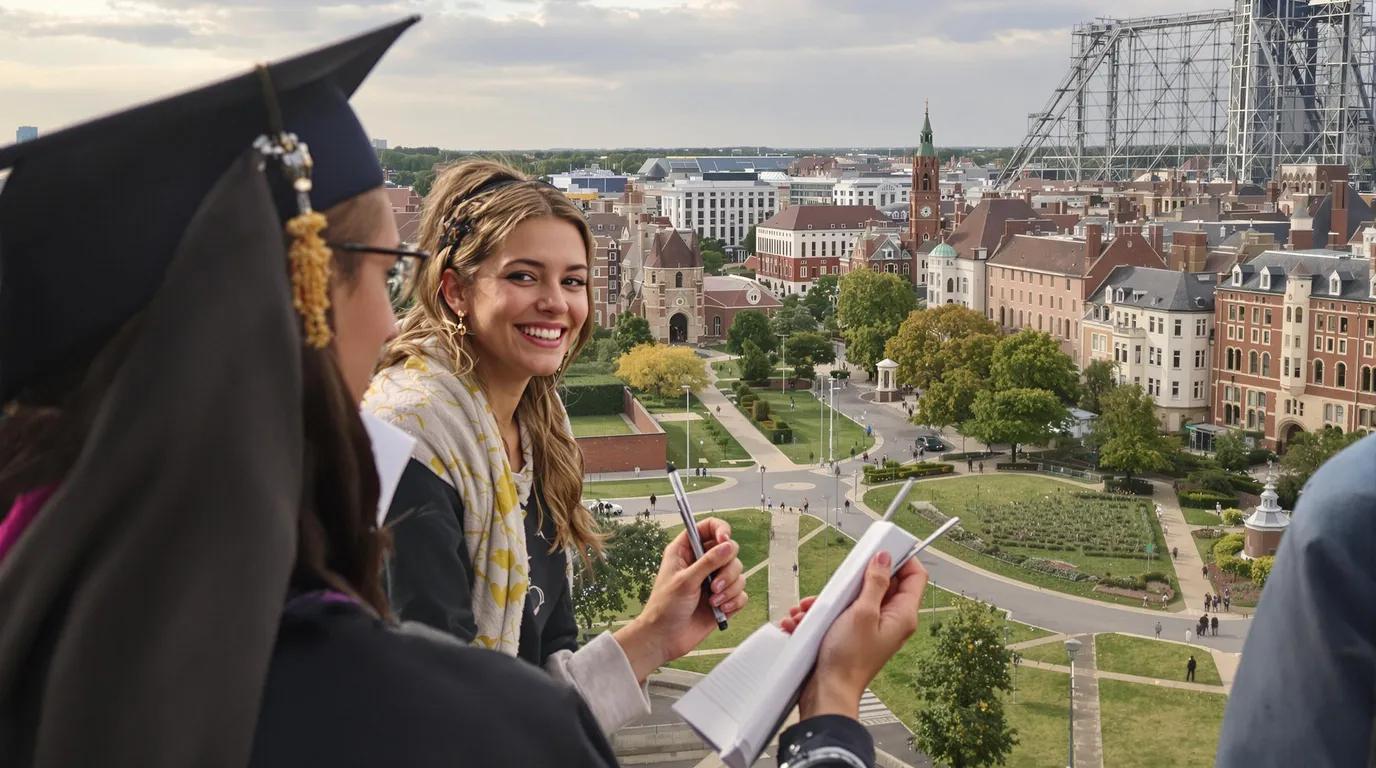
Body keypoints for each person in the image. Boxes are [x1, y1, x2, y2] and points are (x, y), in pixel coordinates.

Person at [0, 21, 916, 768]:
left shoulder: (58, 620)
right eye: (375, 273)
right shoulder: (382, 698)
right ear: (301, 298)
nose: (384, 324)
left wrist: (649, 636)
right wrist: (831, 707)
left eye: (575, 280)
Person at [365, 157, 749, 732]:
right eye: (523, 276)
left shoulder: (541, 429)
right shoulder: (408, 442)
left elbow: (546, 659)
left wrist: (656, 631)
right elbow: (437, 722)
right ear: (455, 290)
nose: (556, 302)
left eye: (572, 280)